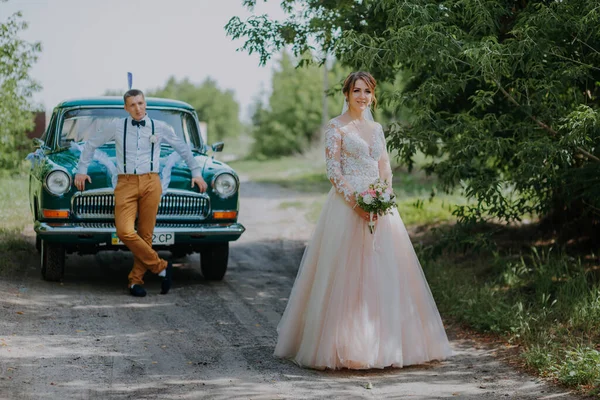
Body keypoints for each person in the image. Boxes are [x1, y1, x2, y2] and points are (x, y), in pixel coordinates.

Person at [274, 72, 453, 369]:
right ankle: (345, 346)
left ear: (373, 96)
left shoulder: (377, 127)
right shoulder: (336, 128)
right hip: (347, 207)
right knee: (347, 277)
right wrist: (357, 204)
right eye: (356, 90)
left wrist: (385, 196)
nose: (361, 96)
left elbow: (385, 167)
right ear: (346, 93)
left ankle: (387, 345)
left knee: (385, 274)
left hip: (381, 207)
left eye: (367, 91)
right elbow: (333, 171)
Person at [74, 89, 208, 297]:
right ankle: (161, 266)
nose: (138, 108)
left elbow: (182, 147)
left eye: (140, 103)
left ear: (145, 104)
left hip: (151, 182)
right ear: (126, 108)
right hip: (126, 183)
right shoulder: (117, 126)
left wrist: (196, 172)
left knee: (145, 235)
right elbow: (91, 144)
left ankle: (135, 281)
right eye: (133, 105)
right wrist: (81, 170)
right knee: (124, 231)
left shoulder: (159, 127)